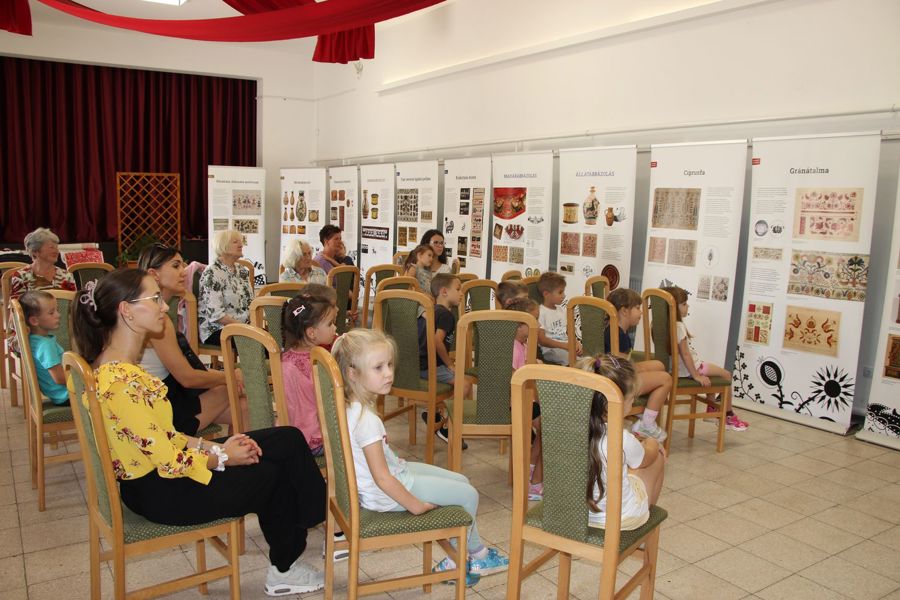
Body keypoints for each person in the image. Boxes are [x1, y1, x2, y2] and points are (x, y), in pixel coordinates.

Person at [71, 268, 327, 596]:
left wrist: (216, 449)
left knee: (287, 438)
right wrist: (223, 457)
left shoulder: (118, 369)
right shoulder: (122, 383)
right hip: (161, 492)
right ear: (127, 311)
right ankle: (286, 567)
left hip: (162, 477)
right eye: (154, 299)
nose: (163, 306)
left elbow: (164, 436)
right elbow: (167, 459)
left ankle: (315, 516)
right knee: (270, 473)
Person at [332, 329, 509, 586]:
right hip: (388, 493)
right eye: (378, 368)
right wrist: (414, 505)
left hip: (391, 478)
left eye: (389, 364)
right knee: (469, 495)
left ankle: (469, 553)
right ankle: (468, 557)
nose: (388, 373)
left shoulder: (349, 405)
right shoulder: (367, 421)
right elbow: (383, 479)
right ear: (352, 373)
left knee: (461, 480)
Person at [137, 243, 237, 435]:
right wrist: (230, 377)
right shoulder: (157, 319)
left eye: (183, 265)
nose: (184, 271)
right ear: (154, 274)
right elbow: (187, 378)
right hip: (160, 413)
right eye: (176, 266)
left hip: (162, 397)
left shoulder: (153, 312)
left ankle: (231, 452)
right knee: (232, 390)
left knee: (241, 403)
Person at [579, 354, 666, 530]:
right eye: (632, 398)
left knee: (625, 466)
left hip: (574, 515)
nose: (633, 402)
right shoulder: (620, 438)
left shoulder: (567, 430)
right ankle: (646, 522)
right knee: (657, 458)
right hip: (619, 520)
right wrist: (653, 442)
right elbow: (647, 459)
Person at [662, 286, 749, 431]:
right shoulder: (678, 326)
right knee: (726, 375)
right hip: (692, 369)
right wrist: (696, 375)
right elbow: (685, 354)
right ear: (673, 307)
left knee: (712, 376)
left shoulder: (664, 325)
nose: (687, 306)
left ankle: (711, 410)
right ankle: (728, 415)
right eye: (684, 304)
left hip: (679, 370)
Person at [605, 288, 673, 442]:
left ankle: (643, 412)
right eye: (637, 308)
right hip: (620, 383)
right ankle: (647, 424)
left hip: (618, 374)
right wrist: (638, 369)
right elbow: (622, 366)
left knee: (658, 365)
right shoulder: (618, 335)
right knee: (666, 379)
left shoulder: (615, 330)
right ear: (624, 311)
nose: (641, 312)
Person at [280, 285, 338, 455]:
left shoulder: (285, 359)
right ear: (312, 333)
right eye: (330, 324)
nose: (334, 328)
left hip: (289, 437)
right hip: (315, 441)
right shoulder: (317, 363)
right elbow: (333, 403)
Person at [419, 274, 470, 445]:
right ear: (444, 292)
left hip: (419, 365)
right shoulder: (446, 315)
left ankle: (433, 412)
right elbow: (436, 340)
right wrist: (449, 364)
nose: (461, 293)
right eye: (458, 289)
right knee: (464, 385)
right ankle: (446, 428)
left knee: (455, 378)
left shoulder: (431, 311)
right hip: (430, 367)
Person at [507, 297, 544, 500]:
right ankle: (534, 482)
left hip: (527, 400)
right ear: (519, 324)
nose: (538, 325)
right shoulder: (512, 347)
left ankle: (531, 467)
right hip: (517, 402)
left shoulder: (524, 344)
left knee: (547, 427)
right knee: (550, 428)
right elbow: (514, 379)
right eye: (534, 320)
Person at [197, 229, 252, 346]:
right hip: (217, 329)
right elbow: (216, 315)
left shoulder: (242, 270)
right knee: (260, 344)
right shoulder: (212, 272)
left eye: (241, 241)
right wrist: (245, 328)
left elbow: (250, 302)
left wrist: (251, 327)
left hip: (242, 327)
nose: (241, 245)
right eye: (235, 242)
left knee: (274, 339)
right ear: (223, 246)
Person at [19, 291, 69, 406]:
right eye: (51, 313)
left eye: (57, 310)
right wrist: (86, 378)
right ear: (34, 321)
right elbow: (59, 378)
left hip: (61, 395)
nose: (58, 315)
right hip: (67, 395)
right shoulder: (45, 345)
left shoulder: (33, 340)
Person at [10, 227, 76, 300]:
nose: (57, 251)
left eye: (57, 248)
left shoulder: (66, 276)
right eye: (51, 247)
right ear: (36, 251)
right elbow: (16, 305)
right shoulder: (21, 277)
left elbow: (74, 304)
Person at [536, 272, 582, 366]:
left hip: (566, 346)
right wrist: (565, 346)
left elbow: (569, 332)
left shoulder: (562, 310)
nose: (564, 296)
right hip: (551, 350)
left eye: (563, 292)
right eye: (560, 292)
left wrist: (576, 343)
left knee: (586, 358)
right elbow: (542, 340)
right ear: (546, 294)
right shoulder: (540, 312)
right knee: (573, 361)